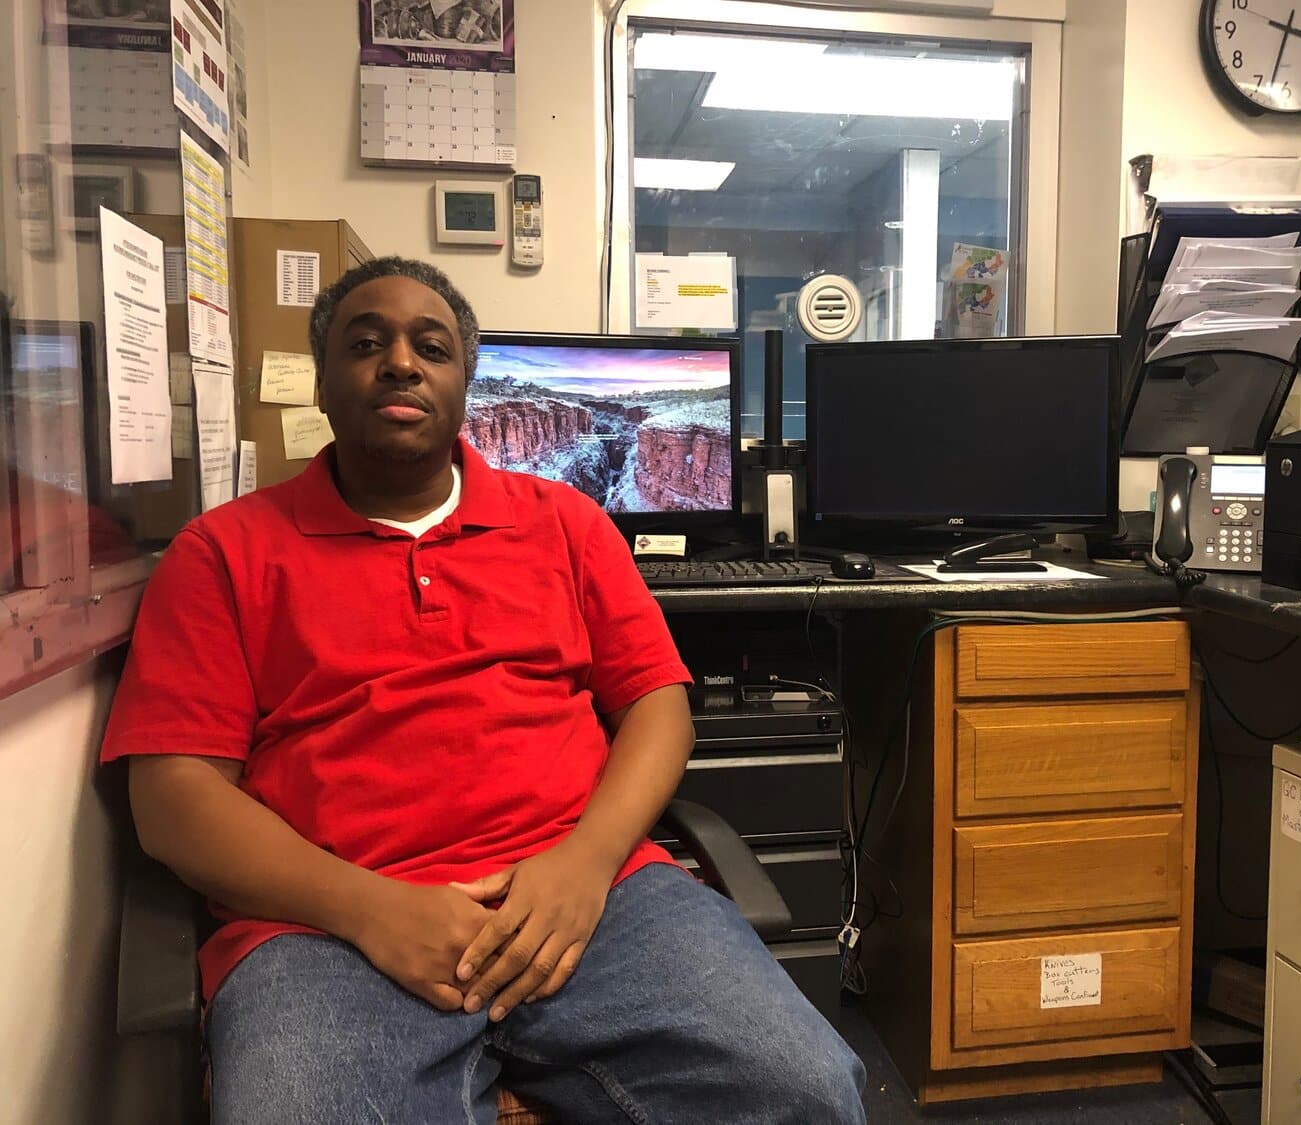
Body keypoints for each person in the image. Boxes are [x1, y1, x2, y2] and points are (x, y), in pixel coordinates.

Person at [101, 256, 866, 1124]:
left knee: (805, 1089)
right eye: (366, 344)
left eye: (431, 347)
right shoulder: (222, 553)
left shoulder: (567, 523)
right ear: (321, 382)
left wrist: (585, 863)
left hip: (587, 901)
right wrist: (369, 909)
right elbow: (173, 797)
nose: (400, 362)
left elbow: (659, 707)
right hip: (328, 929)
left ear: (465, 385)